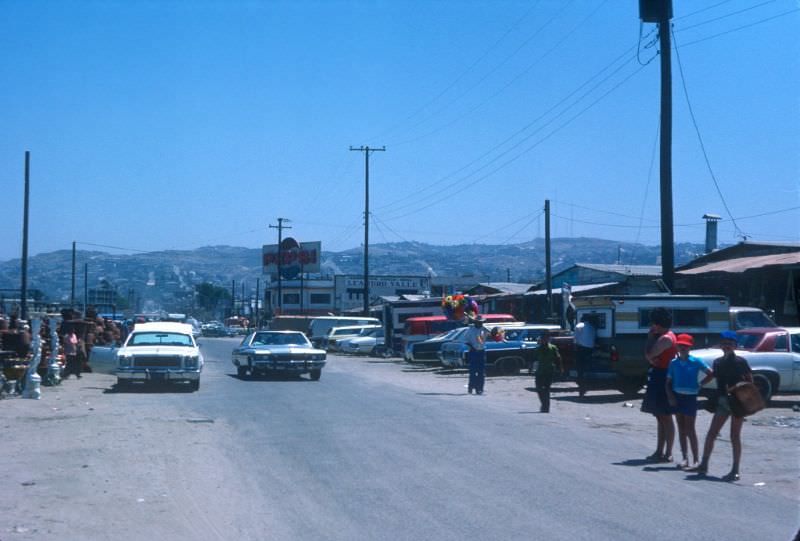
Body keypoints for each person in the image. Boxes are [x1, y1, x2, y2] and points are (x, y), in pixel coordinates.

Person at [690, 331, 753, 481]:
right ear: (720, 345)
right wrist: (699, 385)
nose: (727, 346)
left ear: (735, 345)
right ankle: (704, 465)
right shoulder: (718, 362)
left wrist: (745, 398)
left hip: (738, 402)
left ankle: (735, 470)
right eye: (724, 343)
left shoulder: (740, 362)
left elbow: (750, 380)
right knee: (712, 433)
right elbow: (713, 375)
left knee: (734, 436)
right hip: (723, 401)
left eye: (730, 343)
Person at [665, 333, 713, 469]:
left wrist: (700, 384)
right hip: (677, 396)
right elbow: (667, 382)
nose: (683, 348)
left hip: (690, 397)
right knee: (681, 428)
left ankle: (696, 459)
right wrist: (670, 397)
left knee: (690, 429)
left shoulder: (696, 361)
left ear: (690, 347)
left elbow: (711, 373)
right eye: (680, 345)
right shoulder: (673, 363)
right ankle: (685, 458)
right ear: (677, 347)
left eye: (685, 346)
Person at [642, 307, 677, 462]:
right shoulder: (666, 336)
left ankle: (667, 452)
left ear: (657, 324)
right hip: (660, 374)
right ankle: (660, 450)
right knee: (660, 415)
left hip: (663, 376)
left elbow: (649, 354)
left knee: (665, 416)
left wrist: (650, 338)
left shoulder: (665, 339)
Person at [531, 331, 563, 413]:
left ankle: (546, 406)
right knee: (539, 388)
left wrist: (560, 369)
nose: (544, 340)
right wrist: (531, 368)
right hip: (540, 371)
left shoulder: (553, 348)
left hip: (549, 370)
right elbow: (533, 360)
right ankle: (544, 404)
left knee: (546, 389)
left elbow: (558, 358)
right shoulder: (537, 349)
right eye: (542, 338)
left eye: (545, 338)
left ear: (548, 339)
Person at [464, 316, 490, 395]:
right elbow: (466, 341)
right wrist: (472, 347)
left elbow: (493, 335)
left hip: (481, 351)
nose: (480, 324)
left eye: (481, 322)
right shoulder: (470, 330)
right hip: (473, 351)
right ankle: (471, 387)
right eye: (479, 322)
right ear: (475, 322)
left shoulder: (485, 330)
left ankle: (480, 389)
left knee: (481, 372)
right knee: (473, 372)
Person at [573, 314, 596, 396]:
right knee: (586, 367)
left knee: (580, 368)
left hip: (581, 348)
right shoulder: (592, 327)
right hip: (590, 349)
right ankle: (585, 385)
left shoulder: (580, 325)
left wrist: (575, 346)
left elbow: (575, 337)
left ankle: (581, 386)